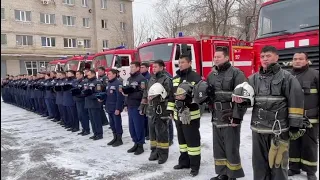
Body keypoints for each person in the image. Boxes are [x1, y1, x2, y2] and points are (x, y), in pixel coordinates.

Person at [233, 46, 304, 180]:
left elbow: (296, 101)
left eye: (268, 56)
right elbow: (248, 100)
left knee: (278, 165)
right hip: (258, 129)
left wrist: (295, 124)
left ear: (277, 57)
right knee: (259, 164)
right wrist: (240, 108)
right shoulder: (252, 79)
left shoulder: (287, 78)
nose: (265, 59)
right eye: (262, 56)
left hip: (278, 130)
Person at [206, 47, 247, 180]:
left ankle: (232, 175)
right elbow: (208, 95)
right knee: (218, 147)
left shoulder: (237, 73)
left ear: (227, 58)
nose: (216, 59)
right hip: (216, 116)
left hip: (230, 115)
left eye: (219, 57)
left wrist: (237, 117)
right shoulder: (211, 75)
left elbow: (242, 98)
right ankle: (222, 173)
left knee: (231, 147)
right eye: (215, 57)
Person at [167, 54, 202, 177]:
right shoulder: (175, 78)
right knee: (182, 141)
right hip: (178, 115)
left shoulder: (196, 77)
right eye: (179, 62)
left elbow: (200, 96)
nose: (180, 64)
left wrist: (188, 98)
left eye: (183, 62)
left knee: (192, 142)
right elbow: (171, 95)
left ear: (190, 63)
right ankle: (184, 162)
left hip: (190, 115)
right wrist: (170, 111)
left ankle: (194, 166)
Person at [288, 52, 319, 180]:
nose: (297, 61)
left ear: (307, 61)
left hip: (310, 118)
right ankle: (293, 167)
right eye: (295, 59)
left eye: (301, 59)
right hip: (292, 118)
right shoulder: (287, 76)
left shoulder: (315, 75)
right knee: (293, 143)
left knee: (309, 145)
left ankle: (310, 171)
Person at [140, 59, 174, 164]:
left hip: (161, 109)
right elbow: (146, 93)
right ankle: (154, 152)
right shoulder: (151, 79)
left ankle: (163, 154)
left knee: (162, 133)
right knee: (152, 133)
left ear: (162, 67)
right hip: (151, 109)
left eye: (155, 67)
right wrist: (142, 105)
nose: (153, 69)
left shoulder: (166, 79)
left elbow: (169, 94)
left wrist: (158, 98)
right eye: (152, 67)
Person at [120, 61, 147, 155]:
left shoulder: (142, 79)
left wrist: (130, 93)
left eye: (132, 67)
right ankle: (135, 142)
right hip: (130, 105)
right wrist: (125, 103)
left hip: (137, 106)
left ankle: (140, 145)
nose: (131, 69)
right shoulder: (129, 79)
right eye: (130, 67)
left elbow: (143, 93)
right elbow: (126, 93)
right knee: (132, 127)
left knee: (138, 126)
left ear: (138, 68)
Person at [103, 69, 124, 147]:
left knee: (117, 123)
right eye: (108, 74)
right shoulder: (109, 83)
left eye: (110, 74)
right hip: (109, 107)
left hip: (115, 107)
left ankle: (119, 139)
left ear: (115, 74)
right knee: (112, 124)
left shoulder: (118, 84)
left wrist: (118, 108)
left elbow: (120, 97)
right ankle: (114, 137)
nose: (108, 75)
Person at [82, 70, 104, 140]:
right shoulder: (87, 82)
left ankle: (99, 134)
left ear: (93, 74)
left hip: (94, 103)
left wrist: (90, 95)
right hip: (88, 103)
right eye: (87, 75)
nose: (87, 76)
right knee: (92, 119)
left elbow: (99, 93)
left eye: (88, 75)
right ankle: (95, 133)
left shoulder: (97, 82)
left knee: (96, 119)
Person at [72, 71, 90, 136]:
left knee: (83, 115)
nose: (76, 75)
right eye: (76, 74)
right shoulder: (77, 82)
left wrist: (78, 94)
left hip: (82, 100)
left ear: (82, 75)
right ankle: (83, 129)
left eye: (77, 74)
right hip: (77, 100)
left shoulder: (84, 82)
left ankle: (86, 129)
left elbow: (85, 91)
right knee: (80, 116)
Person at [140, 62, 151, 140]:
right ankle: (145, 132)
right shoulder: (140, 77)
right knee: (143, 117)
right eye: (140, 67)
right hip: (141, 98)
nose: (141, 68)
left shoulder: (149, 77)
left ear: (147, 68)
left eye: (143, 67)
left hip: (147, 99)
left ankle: (149, 133)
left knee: (147, 117)